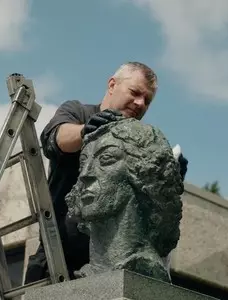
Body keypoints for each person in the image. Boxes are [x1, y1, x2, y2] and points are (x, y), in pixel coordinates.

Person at [24, 61, 189, 283]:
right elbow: (55, 139)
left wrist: (169, 175)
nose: (140, 103)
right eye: (135, 92)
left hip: (114, 263)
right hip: (57, 259)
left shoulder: (141, 139)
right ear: (112, 85)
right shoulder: (77, 112)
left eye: (147, 100)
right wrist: (85, 130)